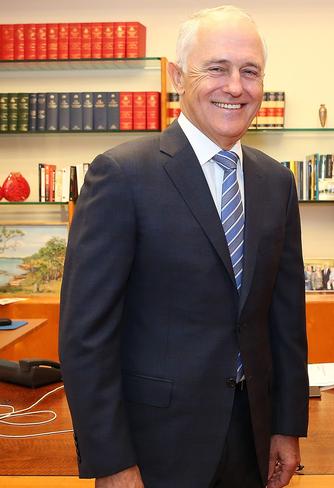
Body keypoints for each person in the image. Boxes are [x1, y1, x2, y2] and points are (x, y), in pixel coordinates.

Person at [58, 6, 308, 488]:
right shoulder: (122, 175)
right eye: (217, 68)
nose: (235, 86)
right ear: (177, 76)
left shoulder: (276, 182)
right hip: (154, 447)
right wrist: (109, 461)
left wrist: (287, 426)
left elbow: (283, 319)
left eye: (249, 71)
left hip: (251, 439)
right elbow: (86, 336)